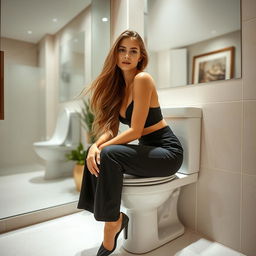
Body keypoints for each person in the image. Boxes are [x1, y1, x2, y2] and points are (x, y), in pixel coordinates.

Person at [77, 30, 183, 256]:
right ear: (115, 55)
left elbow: (135, 131)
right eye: (122, 50)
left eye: (133, 51)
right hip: (149, 149)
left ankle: (111, 224)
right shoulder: (118, 89)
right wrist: (95, 146)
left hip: (167, 151)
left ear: (140, 57)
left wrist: (104, 148)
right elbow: (110, 129)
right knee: (95, 151)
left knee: (109, 153)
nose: (126, 55)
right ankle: (113, 218)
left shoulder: (142, 80)